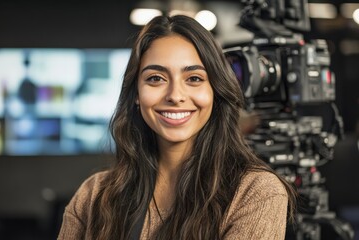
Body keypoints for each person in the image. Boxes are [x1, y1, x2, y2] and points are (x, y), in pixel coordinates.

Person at [58, 15, 296, 239]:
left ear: (215, 90)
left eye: (194, 79)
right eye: (155, 78)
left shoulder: (255, 192)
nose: (175, 95)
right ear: (136, 94)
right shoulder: (94, 195)